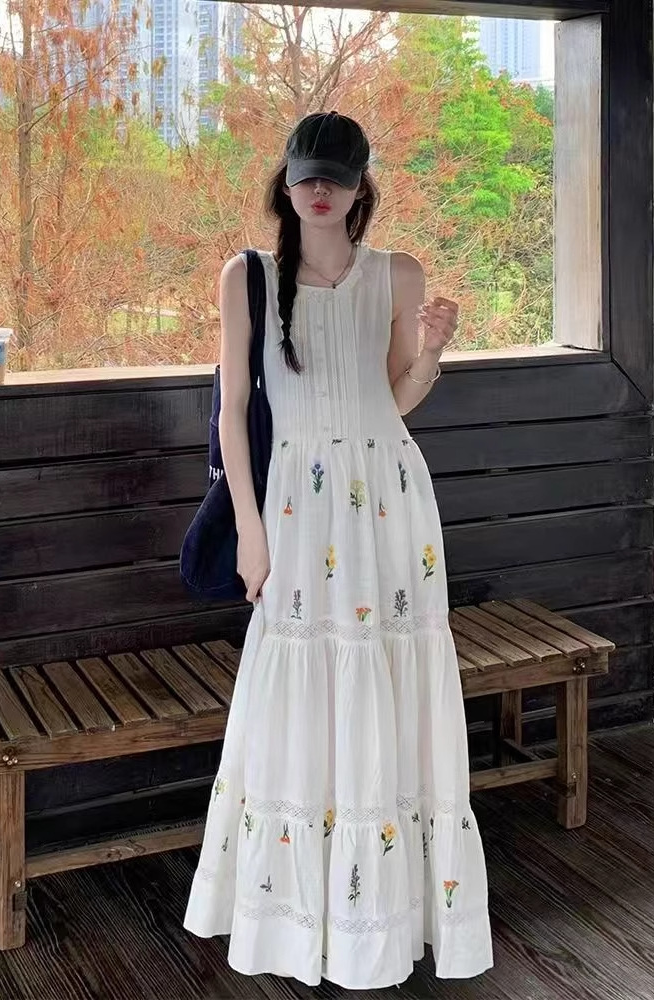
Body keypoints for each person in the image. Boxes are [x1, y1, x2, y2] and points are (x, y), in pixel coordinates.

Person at [183, 111, 493, 989]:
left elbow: (394, 400)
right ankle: (297, 919)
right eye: (306, 175)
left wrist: (433, 351)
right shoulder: (246, 277)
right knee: (300, 676)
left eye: (337, 177)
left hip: (389, 502)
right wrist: (250, 530)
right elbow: (231, 414)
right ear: (285, 182)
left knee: (386, 669)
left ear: (361, 188)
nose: (320, 190)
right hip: (293, 505)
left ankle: (381, 915)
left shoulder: (398, 273)